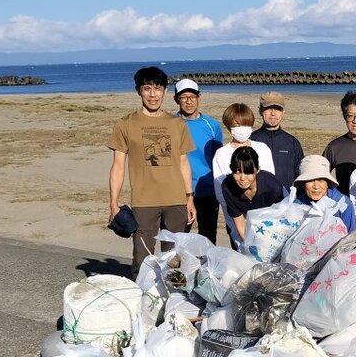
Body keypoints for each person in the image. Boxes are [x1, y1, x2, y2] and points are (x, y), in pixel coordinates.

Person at [107, 66, 196, 276]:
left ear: (165, 91)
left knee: (174, 259)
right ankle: (142, 299)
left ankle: (172, 302)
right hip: (144, 201)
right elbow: (118, 166)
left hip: (176, 200)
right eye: (147, 88)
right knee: (142, 258)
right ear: (139, 91)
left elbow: (183, 162)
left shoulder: (177, 124)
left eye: (158, 88)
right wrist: (113, 204)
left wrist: (189, 197)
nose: (153, 94)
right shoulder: (126, 124)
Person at [212, 103, 275, 248]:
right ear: (229, 127)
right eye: (236, 126)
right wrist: (238, 214)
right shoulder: (221, 154)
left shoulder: (262, 149)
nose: (242, 130)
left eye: (245, 125)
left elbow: (270, 181)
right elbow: (220, 190)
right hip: (236, 216)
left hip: (264, 215)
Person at [173, 78, 223, 244]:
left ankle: (206, 269)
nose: (189, 101)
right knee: (177, 239)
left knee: (208, 239)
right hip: (178, 191)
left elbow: (218, 159)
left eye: (192, 97)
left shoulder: (211, 125)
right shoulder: (170, 124)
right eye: (184, 97)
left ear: (199, 97)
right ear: (176, 99)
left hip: (206, 190)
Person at [220, 146, 285, 242]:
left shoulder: (272, 186)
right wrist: (250, 245)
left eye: (248, 173)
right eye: (237, 172)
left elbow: (280, 218)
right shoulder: (227, 187)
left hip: (273, 224)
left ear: (257, 170)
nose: (242, 178)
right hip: (247, 223)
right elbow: (240, 223)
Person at [324, 91, 356, 196]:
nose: (355, 121)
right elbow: (321, 177)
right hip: (344, 205)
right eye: (350, 116)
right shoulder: (334, 147)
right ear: (344, 116)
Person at [250, 92, 304, 188]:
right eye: (268, 108)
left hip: (286, 199)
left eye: (278, 109)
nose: (273, 113)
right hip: (259, 199)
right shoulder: (251, 141)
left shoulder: (292, 143)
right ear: (260, 111)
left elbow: (300, 175)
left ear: (283, 112)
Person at [292, 154, 356, 232]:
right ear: (302, 184)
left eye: (320, 180)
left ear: (327, 184)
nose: (316, 186)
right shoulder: (297, 205)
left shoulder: (343, 204)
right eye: (310, 180)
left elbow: (351, 236)